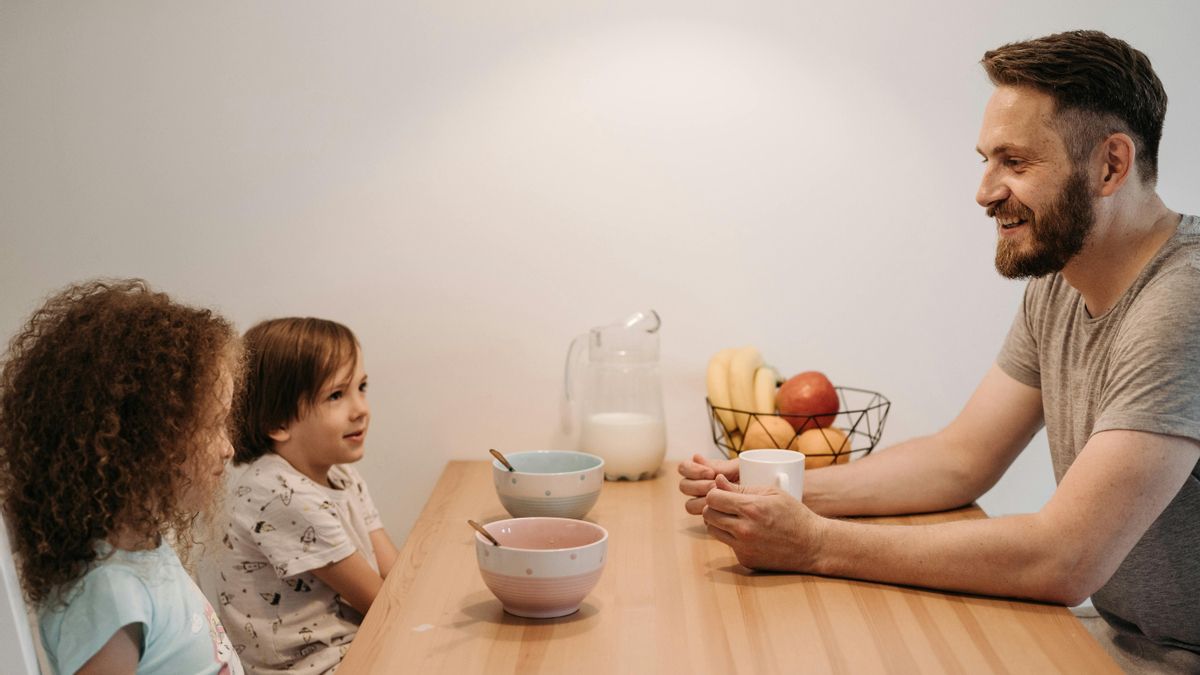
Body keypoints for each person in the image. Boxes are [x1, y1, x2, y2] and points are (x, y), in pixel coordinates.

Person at [679, 30, 1200, 671]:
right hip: (1123, 640)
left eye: (1014, 162)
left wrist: (814, 545)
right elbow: (959, 460)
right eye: (986, 159)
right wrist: (783, 491)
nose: (984, 190)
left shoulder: (1185, 303)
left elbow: (1063, 558)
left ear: (1109, 166)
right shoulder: (1064, 283)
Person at [0, 279, 244, 674]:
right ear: (145, 441)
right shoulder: (110, 595)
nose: (228, 447)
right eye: (213, 426)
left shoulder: (141, 544)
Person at [212, 317, 399, 674]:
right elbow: (381, 602)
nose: (360, 408)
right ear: (277, 423)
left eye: (362, 387)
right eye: (336, 395)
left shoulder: (342, 475)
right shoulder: (278, 494)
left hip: (356, 644)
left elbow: (396, 574)